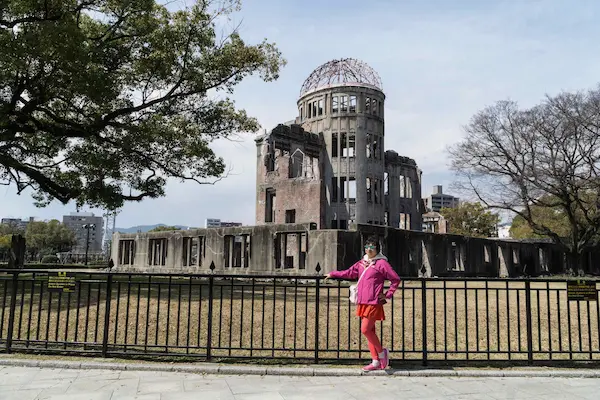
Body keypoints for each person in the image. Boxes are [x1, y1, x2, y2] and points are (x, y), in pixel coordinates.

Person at [324, 236, 401, 371]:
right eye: (367, 247)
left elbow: (395, 279)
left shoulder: (382, 264)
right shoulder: (361, 263)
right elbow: (349, 273)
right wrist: (333, 273)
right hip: (362, 301)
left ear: (377, 249)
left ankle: (382, 353)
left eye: (372, 247)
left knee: (365, 329)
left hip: (374, 302)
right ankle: (375, 361)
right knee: (370, 331)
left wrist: (388, 295)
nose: (369, 250)